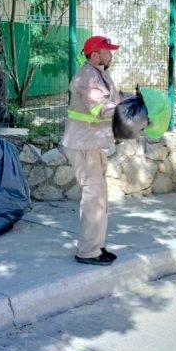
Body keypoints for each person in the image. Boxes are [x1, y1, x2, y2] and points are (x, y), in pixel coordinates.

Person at [61, 35, 126, 266]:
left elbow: (114, 100)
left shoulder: (101, 74)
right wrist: (127, 108)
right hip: (83, 144)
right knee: (93, 198)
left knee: (99, 197)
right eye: (107, 51)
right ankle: (88, 251)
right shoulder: (87, 77)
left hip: (92, 143)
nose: (111, 54)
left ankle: (95, 246)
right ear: (95, 54)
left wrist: (131, 100)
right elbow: (100, 109)